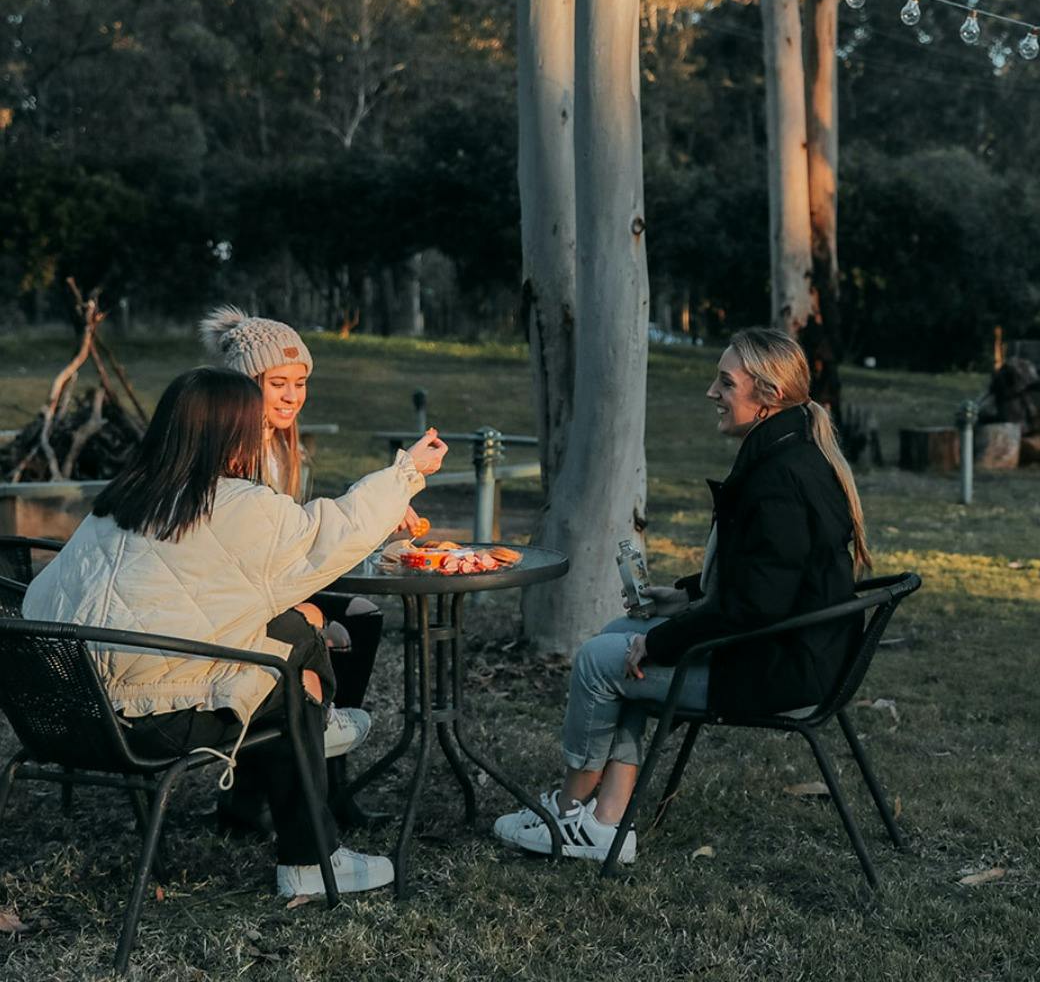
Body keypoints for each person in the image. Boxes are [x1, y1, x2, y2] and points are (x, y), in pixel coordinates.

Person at [23, 367, 448, 896]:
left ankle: (314, 736)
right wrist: (407, 471)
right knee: (291, 671)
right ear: (235, 433)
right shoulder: (238, 506)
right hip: (144, 719)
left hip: (62, 710)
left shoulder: (122, 498)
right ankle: (313, 857)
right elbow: (330, 535)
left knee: (290, 634)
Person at [493, 327, 871, 863]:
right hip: (791, 648)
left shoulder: (780, 477)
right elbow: (766, 578)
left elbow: (755, 605)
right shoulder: (791, 452)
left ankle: (569, 810)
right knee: (617, 637)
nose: (711, 393)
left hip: (779, 666)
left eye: (725, 382)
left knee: (603, 661)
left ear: (766, 397)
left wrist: (666, 641)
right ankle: (607, 822)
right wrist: (686, 596)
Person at [199, 305, 416, 827]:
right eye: (278, 383)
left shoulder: (281, 448)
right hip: (238, 600)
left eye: (300, 382)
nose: (292, 395)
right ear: (245, 385)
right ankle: (258, 793)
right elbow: (240, 558)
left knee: (361, 613)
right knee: (321, 628)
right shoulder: (228, 453)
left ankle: (331, 779)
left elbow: (298, 537)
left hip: (276, 581)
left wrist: (379, 518)